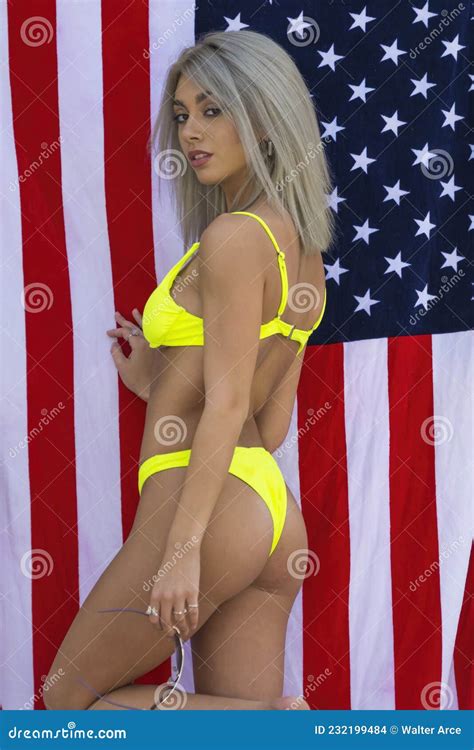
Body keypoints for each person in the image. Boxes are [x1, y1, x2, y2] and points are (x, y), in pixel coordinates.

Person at [44, 28, 335, 711]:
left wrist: (181, 550)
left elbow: (231, 408)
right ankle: (276, 727)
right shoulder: (304, 254)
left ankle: (286, 728)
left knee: (68, 706)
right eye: (181, 115)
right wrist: (157, 384)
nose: (190, 133)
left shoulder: (232, 239)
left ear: (265, 121)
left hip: (209, 509)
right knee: (232, 730)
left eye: (213, 109)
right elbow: (271, 417)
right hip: (268, 512)